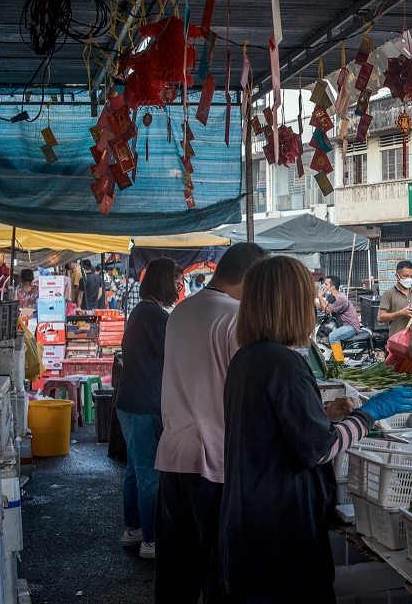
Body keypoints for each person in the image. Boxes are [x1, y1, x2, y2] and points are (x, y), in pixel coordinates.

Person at [218, 256, 412, 602]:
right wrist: (368, 415)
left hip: (247, 520)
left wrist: (323, 413)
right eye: (307, 297)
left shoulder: (247, 357)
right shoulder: (284, 364)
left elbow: (270, 426)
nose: (313, 306)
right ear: (290, 305)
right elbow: (319, 449)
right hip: (278, 529)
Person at [153, 243, 266, 604]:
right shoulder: (236, 319)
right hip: (212, 463)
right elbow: (250, 394)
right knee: (219, 577)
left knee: (175, 575)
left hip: (172, 455)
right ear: (251, 278)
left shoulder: (180, 312)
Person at [116, 258, 183, 560]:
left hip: (130, 402)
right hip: (144, 405)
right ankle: (152, 541)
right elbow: (178, 355)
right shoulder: (155, 315)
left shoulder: (142, 312)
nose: (180, 286)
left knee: (135, 470)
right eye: (177, 280)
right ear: (163, 282)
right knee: (148, 475)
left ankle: (134, 530)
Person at [319, 276, 360, 361]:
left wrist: (319, 296)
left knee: (333, 336)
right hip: (343, 323)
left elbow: (327, 309)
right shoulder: (332, 296)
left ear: (332, 287)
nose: (324, 286)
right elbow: (324, 304)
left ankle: (340, 363)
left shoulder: (340, 298)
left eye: (326, 284)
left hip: (351, 326)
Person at [377, 260, 412, 336]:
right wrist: (400, 313)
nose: (409, 279)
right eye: (405, 276)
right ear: (397, 276)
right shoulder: (389, 294)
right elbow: (380, 317)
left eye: (411, 276)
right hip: (397, 338)